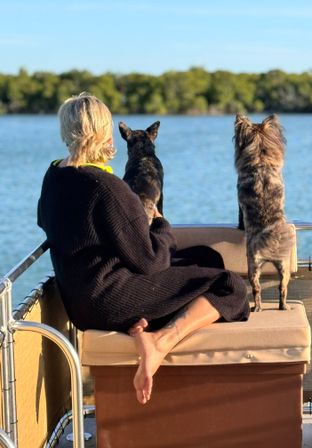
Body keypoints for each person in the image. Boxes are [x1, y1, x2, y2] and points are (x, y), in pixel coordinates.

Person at [37, 93, 250, 405]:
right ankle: (159, 342)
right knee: (229, 285)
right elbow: (152, 261)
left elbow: (51, 222)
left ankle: (149, 320)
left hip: (81, 298)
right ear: (104, 132)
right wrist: (162, 226)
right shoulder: (107, 188)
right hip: (110, 301)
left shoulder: (54, 176)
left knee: (207, 257)